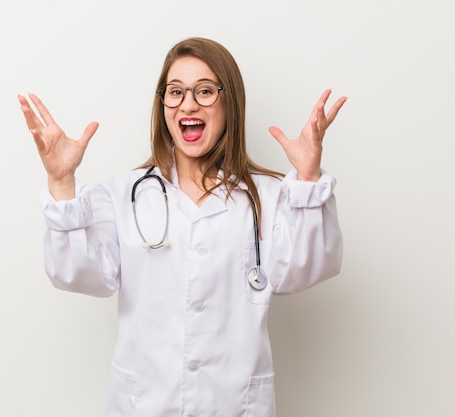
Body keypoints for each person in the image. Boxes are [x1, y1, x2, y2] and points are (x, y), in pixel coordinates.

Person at [19, 37, 346, 417]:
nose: (188, 103)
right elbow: (77, 274)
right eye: (175, 92)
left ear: (230, 104)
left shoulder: (269, 198)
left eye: (205, 91)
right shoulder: (123, 195)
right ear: (163, 106)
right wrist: (61, 182)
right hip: (146, 406)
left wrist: (307, 177)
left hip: (235, 406)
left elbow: (305, 270)